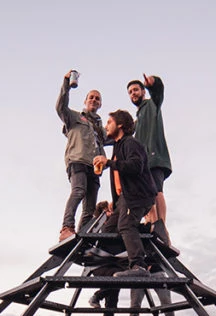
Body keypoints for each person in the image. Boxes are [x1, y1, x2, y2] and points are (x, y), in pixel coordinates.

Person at [92, 110, 158, 278]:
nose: (106, 126)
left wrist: (109, 162)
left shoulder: (130, 143)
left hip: (137, 195)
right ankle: (115, 267)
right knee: (109, 229)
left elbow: (136, 166)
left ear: (120, 124)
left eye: (109, 122)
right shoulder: (118, 147)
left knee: (126, 225)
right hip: (124, 199)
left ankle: (139, 265)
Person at [55, 70, 106, 242]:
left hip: (95, 167)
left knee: (90, 208)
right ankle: (66, 228)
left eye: (97, 98)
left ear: (100, 104)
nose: (94, 100)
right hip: (77, 161)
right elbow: (60, 107)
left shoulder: (99, 128)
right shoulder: (75, 117)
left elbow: (119, 132)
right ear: (85, 101)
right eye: (91, 97)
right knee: (78, 191)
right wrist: (66, 84)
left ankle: (84, 236)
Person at [127, 74, 172, 242]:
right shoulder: (137, 120)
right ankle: (151, 222)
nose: (133, 94)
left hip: (155, 157)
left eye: (136, 90)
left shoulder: (152, 104)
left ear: (143, 92)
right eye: (130, 92)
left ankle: (161, 226)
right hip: (143, 163)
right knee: (146, 194)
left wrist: (154, 83)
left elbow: (158, 92)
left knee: (157, 190)